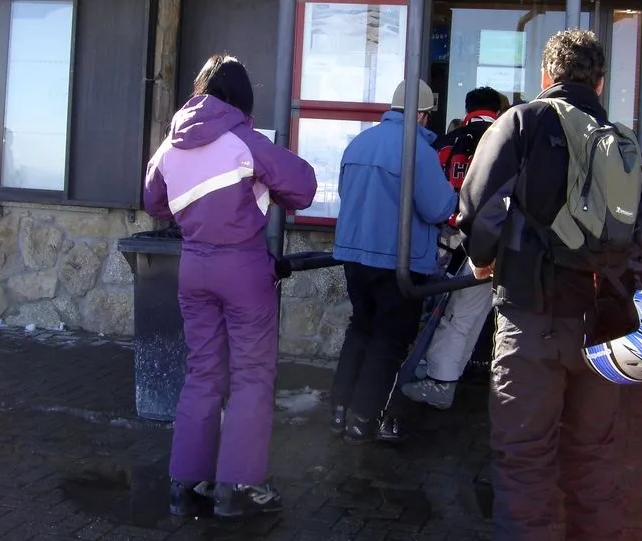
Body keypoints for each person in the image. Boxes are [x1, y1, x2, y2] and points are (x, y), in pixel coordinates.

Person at [456, 30, 642, 541]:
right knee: (594, 458)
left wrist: (483, 262)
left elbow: (478, 208)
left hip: (532, 318)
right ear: (601, 81)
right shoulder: (624, 142)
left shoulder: (521, 122)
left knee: (525, 457)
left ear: (546, 76)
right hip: (604, 327)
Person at [143, 54, 317, 518]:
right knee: (252, 377)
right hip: (242, 269)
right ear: (241, 98)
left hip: (192, 267)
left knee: (202, 372)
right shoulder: (244, 140)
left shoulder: (170, 144)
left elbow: (153, 201)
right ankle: (237, 488)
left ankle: (186, 482)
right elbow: (303, 187)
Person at [330, 79, 457, 444]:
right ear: (421, 114)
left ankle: (339, 410)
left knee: (361, 329)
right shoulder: (415, 150)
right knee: (389, 341)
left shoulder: (359, 142)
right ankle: (364, 420)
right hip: (398, 263)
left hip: (354, 256)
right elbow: (438, 208)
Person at [401, 86, 503, 410]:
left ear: (468, 108)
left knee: (442, 312)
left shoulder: (445, 142)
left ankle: (436, 376)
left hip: (442, 240)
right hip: (490, 243)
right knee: (468, 315)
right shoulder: (505, 142)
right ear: (496, 110)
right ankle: (443, 377)